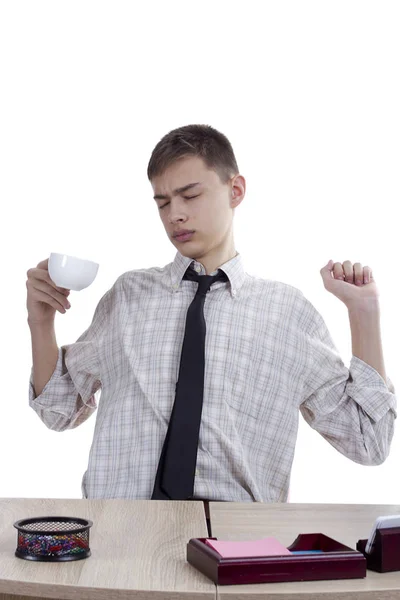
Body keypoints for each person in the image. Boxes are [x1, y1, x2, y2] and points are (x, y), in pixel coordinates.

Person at [26, 124, 397, 503]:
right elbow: (58, 408)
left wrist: (363, 313)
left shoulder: (287, 314)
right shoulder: (128, 296)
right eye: (163, 202)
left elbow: (369, 442)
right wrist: (40, 321)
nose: (175, 215)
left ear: (235, 191)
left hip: (238, 542)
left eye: (190, 195)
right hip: (121, 535)